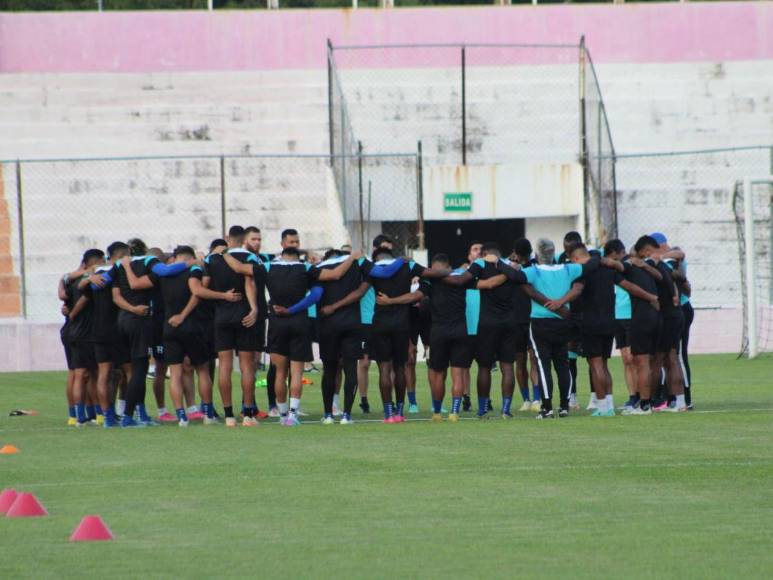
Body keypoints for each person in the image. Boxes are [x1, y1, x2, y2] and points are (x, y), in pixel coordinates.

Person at [228, 245, 358, 426]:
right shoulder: (305, 268)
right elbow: (334, 275)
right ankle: (292, 414)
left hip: (276, 324)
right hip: (299, 323)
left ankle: (281, 415)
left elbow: (238, 267)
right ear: (298, 257)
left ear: (282, 255)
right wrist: (352, 258)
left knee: (280, 372)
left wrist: (222, 253)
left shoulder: (269, 267)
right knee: (296, 372)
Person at [521, 238, 617, 419]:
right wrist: (599, 257)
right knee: (563, 364)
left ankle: (547, 408)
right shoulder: (569, 269)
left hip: (545, 322)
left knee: (544, 366)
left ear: (537, 254)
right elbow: (595, 266)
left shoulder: (534, 271)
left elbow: (517, 278)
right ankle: (566, 406)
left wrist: (557, 303)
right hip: (571, 322)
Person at [563, 243, 658, 416]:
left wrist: (559, 303)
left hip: (590, 323)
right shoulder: (607, 268)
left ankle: (602, 408)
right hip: (609, 322)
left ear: (575, 258)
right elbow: (629, 286)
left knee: (596, 364)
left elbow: (577, 291)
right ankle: (608, 404)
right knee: (604, 365)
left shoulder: (582, 271)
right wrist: (650, 296)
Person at [114, 238, 189, 427]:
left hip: (121, 320)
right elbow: (166, 271)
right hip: (140, 320)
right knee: (139, 370)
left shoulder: (118, 265)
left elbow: (109, 289)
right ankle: (129, 417)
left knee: (125, 371)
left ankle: (116, 414)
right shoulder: (149, 262)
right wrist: (190, 262)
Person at [369, 246, 450, 422]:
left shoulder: (371, 270)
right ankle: (399, 412)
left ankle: (388, 413)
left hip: (380, 322)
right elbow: (434, 274)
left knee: (384, 368)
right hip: (401, 323)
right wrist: (451, 272)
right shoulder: (407, 266)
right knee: (400, 367)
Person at [156, 246, 230, 426]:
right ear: (190, 257)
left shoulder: (164, 274)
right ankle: (207, 414)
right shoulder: (194, 269)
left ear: (176, 258)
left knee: (175, 373)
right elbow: (197, 292)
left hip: (169, 326)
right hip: (190, 326)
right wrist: (222, 295)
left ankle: (181, 416)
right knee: (202, 369)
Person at [202, 226, 260, 427]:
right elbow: (249, 283)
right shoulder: (250, 257)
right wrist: (254, 309)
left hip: (221, 316)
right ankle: (247, 415)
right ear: (244, 239)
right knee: (246, 366)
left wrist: (220, 296)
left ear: (228, 239)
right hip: (244, 315)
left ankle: (228, 416)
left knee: (224, 366)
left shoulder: (212, 259)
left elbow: (203, 286)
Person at [80, 241, 130, 428]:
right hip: (118, 330)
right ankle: (128, 412)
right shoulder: (121, 272)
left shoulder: (98, 275)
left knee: (106, 373)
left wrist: (88, 277)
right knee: (126, 372)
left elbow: (81, 289)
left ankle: (108, 416)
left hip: (99, 331)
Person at [620, 236, 666, 416]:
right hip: (657, 317)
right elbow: (661, 277)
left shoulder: (631, 266)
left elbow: (627, 283)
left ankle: (644, 404)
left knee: (642, 362)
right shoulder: (651, 267)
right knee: (653, 362)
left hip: (641, 318)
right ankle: (651, 401)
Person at [67, 249, 106, 426]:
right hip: (85, 333)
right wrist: (73, 313)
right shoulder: (90, 281)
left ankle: (82, 415)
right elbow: (83, 300)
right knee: (85, 374)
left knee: (84, 373)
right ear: (95, 262)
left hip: (74, 331)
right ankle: (81, 416)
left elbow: (63, 297)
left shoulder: (71, 280)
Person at [603, 239, 639, 411]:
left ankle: (643, 395)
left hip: (631, 316)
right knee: (626, 359)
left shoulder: (628, 267)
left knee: (634, 358)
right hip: (617, 316)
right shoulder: (610, 270)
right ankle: (632, 396)